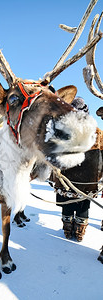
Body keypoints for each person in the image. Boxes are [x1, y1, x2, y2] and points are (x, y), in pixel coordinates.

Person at [51, 97, 102, 242]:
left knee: (68, 205)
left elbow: (53, 154)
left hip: (67, 180)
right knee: (82, 206)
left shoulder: (62, 131)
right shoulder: (97, 132)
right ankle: (79, 233)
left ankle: (68, 230)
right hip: (86, 182)